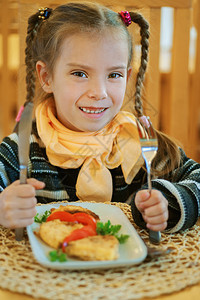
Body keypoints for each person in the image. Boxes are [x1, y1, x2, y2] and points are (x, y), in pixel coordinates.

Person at [0, 2, 199, 234]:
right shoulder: (21, 149)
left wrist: (168, 201)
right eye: (80, 73)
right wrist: (3, 206)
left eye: (114, 74)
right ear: (47, 77)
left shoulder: (139, 144)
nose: (100, 92)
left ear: (128, 76)